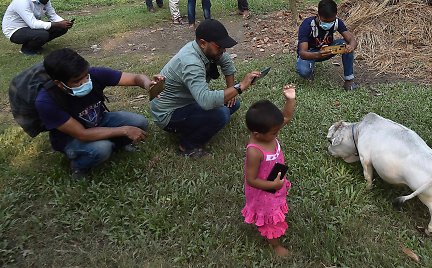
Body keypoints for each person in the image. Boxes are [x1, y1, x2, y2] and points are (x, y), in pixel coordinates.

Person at [35, 48, 164, 180]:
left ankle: (118, 145)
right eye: (77, 81)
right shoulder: (47, 102)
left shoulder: (93, 75)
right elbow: (82, 134)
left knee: (139, 122)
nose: (85, 82)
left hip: (99, 120)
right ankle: (79, 165)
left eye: (86, 76)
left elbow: (136, 78)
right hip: (72, 139)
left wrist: (148, 84)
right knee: (102, 148)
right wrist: (124, 130)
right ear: (59, 83)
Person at [150, 19, 260, 157]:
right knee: (221, 114)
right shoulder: (191, 62)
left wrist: (232, 89)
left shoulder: (205, 50)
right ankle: (187, 145)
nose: (224, 50)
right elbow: (205, 101)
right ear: (203, 43)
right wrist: (240, 86)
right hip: (168, 114)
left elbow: (226, 63)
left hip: (188, 102)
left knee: (233, 103)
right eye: (220, 46)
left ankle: (195, 124)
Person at [241, 84, 296, 258]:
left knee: (276, 206)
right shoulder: (255, 150)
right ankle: (276, 245)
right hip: (263, 191)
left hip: (275, 182)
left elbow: (286, 116)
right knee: (269, 219)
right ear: (257, 134)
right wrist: (272, 184)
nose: (278, 133)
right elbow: (251, 179)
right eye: (275, 132)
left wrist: (290, 99)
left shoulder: (268, 131)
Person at [296, 0, 358, 90]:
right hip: (310, 54)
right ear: (318, 15)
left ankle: (349, 81)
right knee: (304, 72)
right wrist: (318, 54)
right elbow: (302, 53)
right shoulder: (307, 25)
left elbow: (352, 40)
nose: (328, 24)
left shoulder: (337, 22)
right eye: (325, 21)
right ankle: (310, 68)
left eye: (331, 21)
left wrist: (351, 47)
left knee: (346, 45)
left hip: (327, 50)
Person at [2, 0, 74, 55]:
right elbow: (33, 24)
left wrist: (64, 22)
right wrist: (58, 24)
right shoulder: (22, 2)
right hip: (15, 30)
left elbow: (53, 15)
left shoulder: (45, 1)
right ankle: (27, 49)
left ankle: (35, 45)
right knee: (42, 34)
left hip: (30, 27)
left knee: (61, 28)